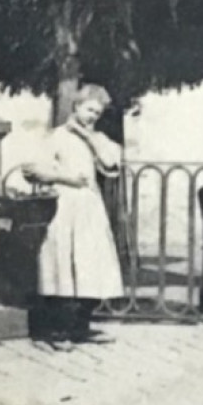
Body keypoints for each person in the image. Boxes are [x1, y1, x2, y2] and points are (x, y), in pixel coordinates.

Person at [22, 84, 126, 348]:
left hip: (89, 206)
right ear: (77, 106)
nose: (93, 116)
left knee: (91, 262)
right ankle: (58, 331)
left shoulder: (97, 138)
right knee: (63, 263)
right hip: (64, 205)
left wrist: (88, 136)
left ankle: (81, 326)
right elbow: (33, 169)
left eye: (97, 113)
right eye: (89, 110)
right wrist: (66, 177)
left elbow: (112, 162)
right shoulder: (57, 136)